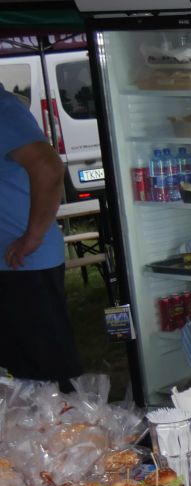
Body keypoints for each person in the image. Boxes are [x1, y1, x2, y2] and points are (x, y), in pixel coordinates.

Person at [0, 86, 81, 390]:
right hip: (12, 265)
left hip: (24, 264)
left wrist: (32, 237)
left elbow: (48, 167)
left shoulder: (4, 111)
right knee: (17, 379)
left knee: (46, 380)